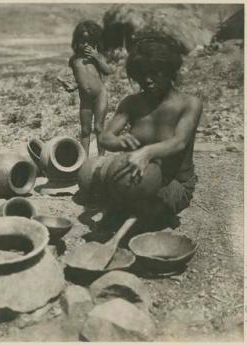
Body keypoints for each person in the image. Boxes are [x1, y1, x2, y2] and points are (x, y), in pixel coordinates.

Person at [99, 30, 202, 229]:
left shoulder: (189, 104)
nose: (147, 80)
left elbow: (178, 142)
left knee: (138, 212)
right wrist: (117, 141)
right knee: (98, 182)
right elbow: (105, 137)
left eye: (155, 73)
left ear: (170, 70)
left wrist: (146, 152)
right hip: (138, 179)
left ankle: (148, 215)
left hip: (172, 183)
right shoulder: (132, 103)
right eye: (141, 75)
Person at [58, 20, 114, 157]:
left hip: (100, 95)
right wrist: (68, 84)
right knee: (85, 131)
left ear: (95, 41)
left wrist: (97, 57)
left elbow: (108, 71)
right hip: (85, 100)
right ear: (77, 41)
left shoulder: (97, 57)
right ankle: (84, 161)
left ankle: (101, 158)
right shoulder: (74, 60)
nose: (86, 44)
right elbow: (74, 79)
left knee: (99, 128)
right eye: (82, 41)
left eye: (89, 41)